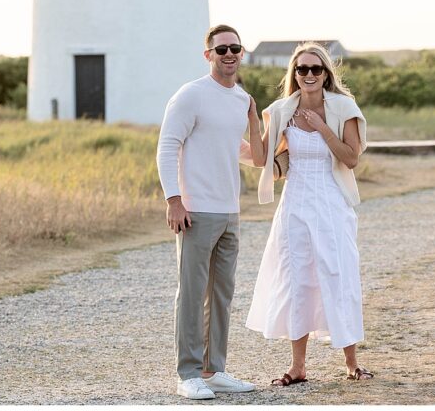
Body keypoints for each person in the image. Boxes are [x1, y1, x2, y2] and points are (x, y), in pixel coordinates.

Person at [245, 42, 374, 385]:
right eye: (301, 69)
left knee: (337, 274)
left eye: (316, 69)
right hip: (295, 204)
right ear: (294, 74)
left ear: (326, 74)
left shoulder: (343, 107)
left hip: (331, 203)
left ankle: (351, 362)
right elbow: (269, 161)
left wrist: (320, 126)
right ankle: (298, 366)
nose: (309, 75)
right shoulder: (283, 111)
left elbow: (350, 158)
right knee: (297, 279)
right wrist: (248, 123)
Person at [156, 24, 259, 400]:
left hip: (229, 211)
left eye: (234, 48)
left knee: (221, 293)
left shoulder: (241, 99)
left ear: (241, 52)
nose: (228, 54)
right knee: (192, 292)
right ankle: (187, 373)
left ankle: (213, 370)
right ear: (209, 55)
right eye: (221, 49)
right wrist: (173, 199)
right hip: (195, 211)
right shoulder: (191, 95)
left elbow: (239, 149)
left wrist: (279, 147)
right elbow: (168, 146)